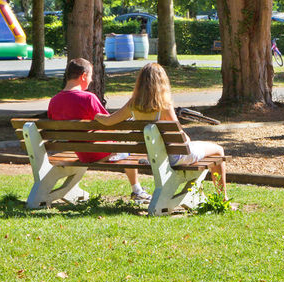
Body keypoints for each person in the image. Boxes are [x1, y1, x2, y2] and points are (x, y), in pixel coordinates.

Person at [95, 62, 228, 199]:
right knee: (218, 151)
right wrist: (187, 140)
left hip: (153, 157)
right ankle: (223, 199)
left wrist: (95, 115)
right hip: (175, 158)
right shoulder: (164, 106)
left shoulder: (132, 105)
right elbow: (180, 136)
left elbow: (108, 121)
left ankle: (199, 194)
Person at [47, 58, 151, 203]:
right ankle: (137, 190)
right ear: (83, 76)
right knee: (126, 148)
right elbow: (110, 123)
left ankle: (70, 188)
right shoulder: (88, 98)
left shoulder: (54, 101)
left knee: (120, 146)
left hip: (80, 153)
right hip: (98, 152)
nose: (91, 80)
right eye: (90, 76)